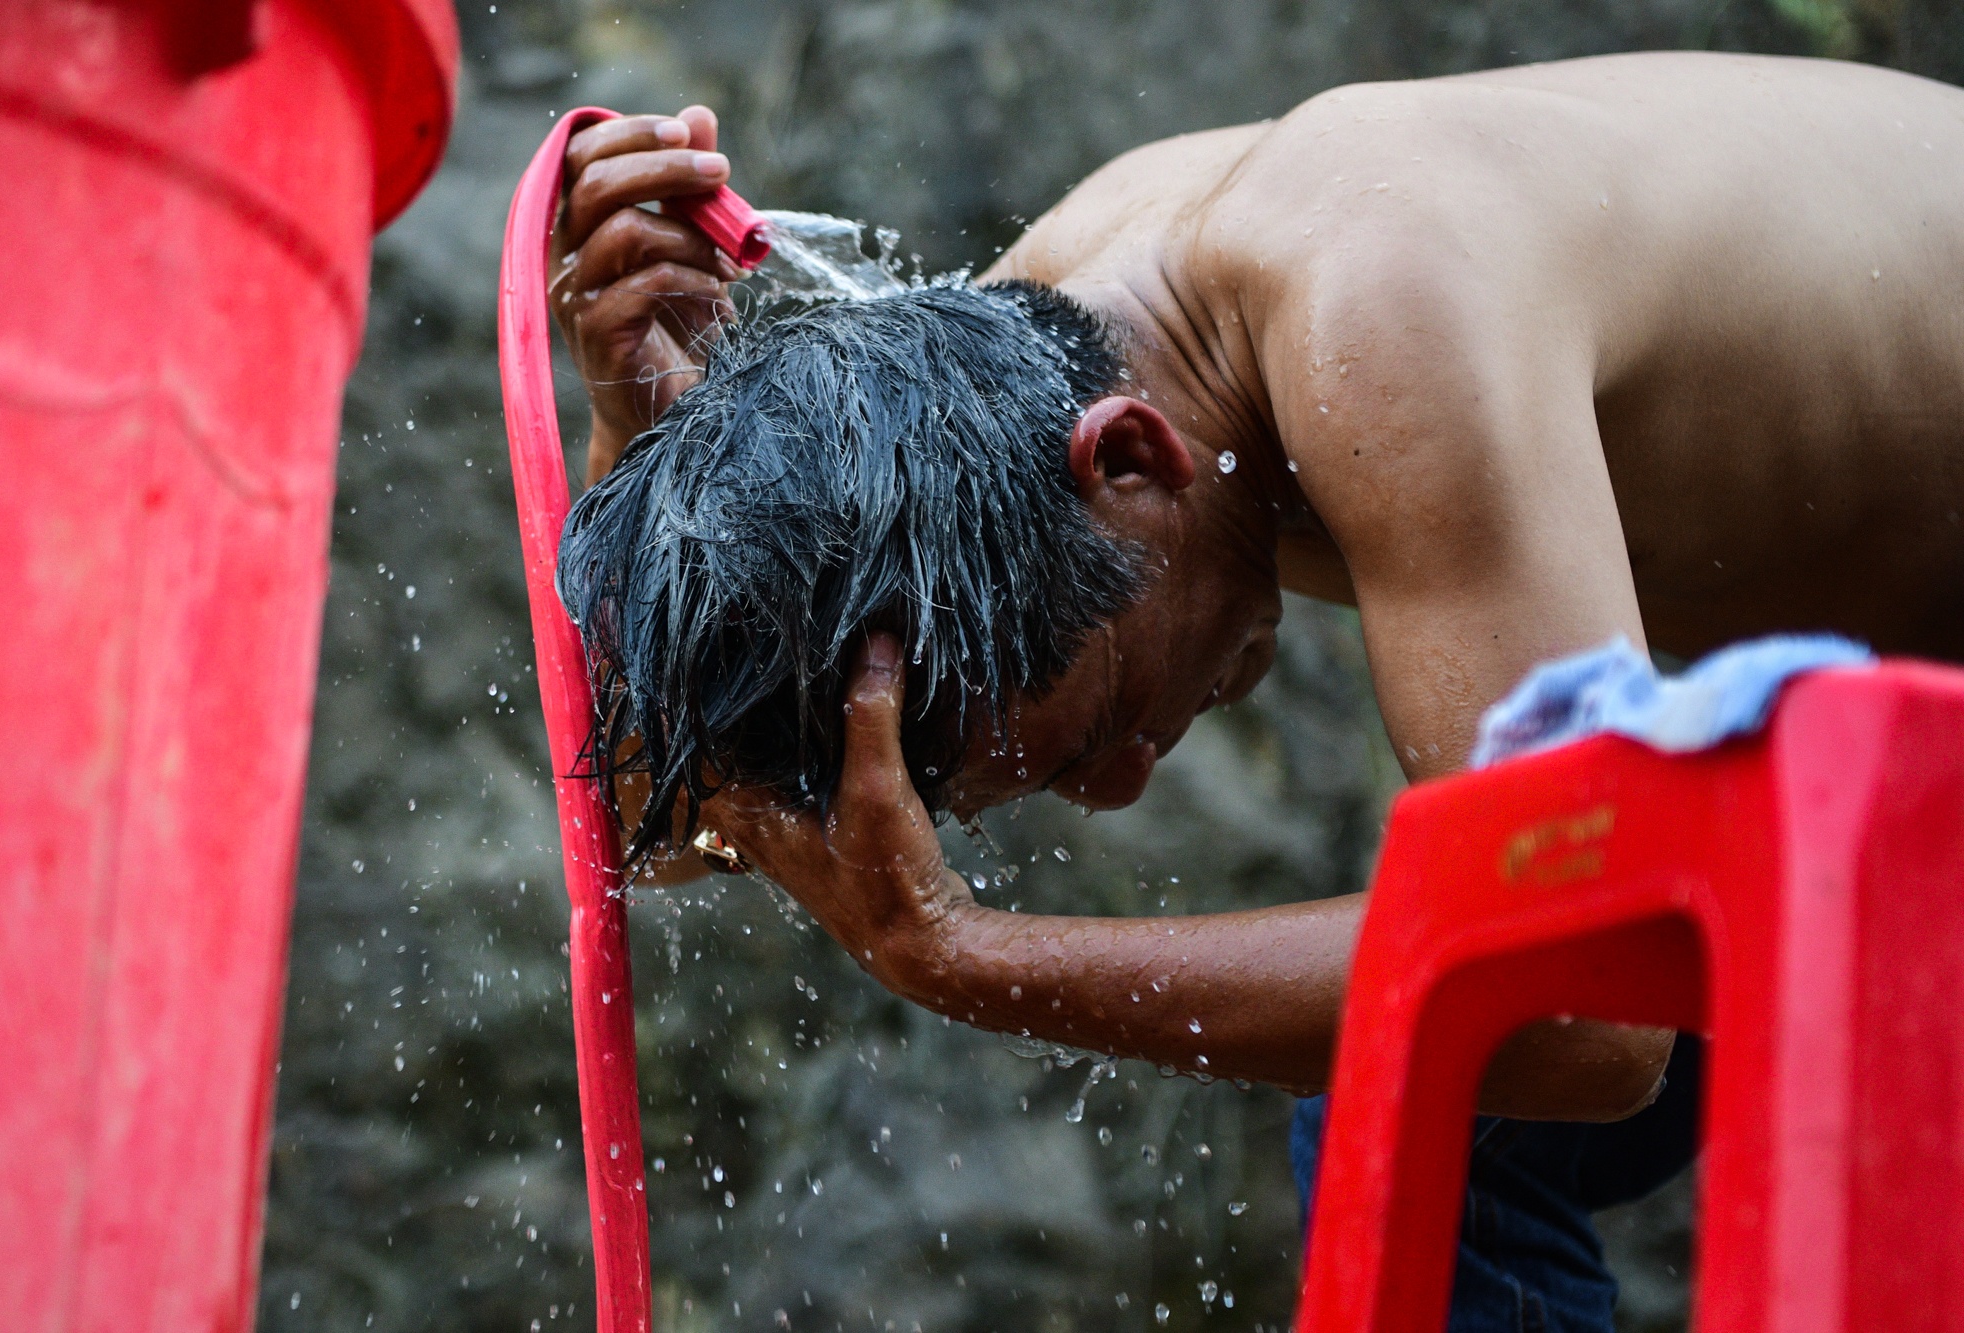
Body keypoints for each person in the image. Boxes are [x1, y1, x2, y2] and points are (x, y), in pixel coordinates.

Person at [546, 52, 1964, 1331]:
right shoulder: (999, 398)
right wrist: (643, 433)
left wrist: (967, 958)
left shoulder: (1376, 306)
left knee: (1434, 1064)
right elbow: (649, 833)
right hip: (1898, 706)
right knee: (1414, 1105)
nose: (1119, 786)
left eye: (1091, 732)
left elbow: (1588, 1013)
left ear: (1135, 465)